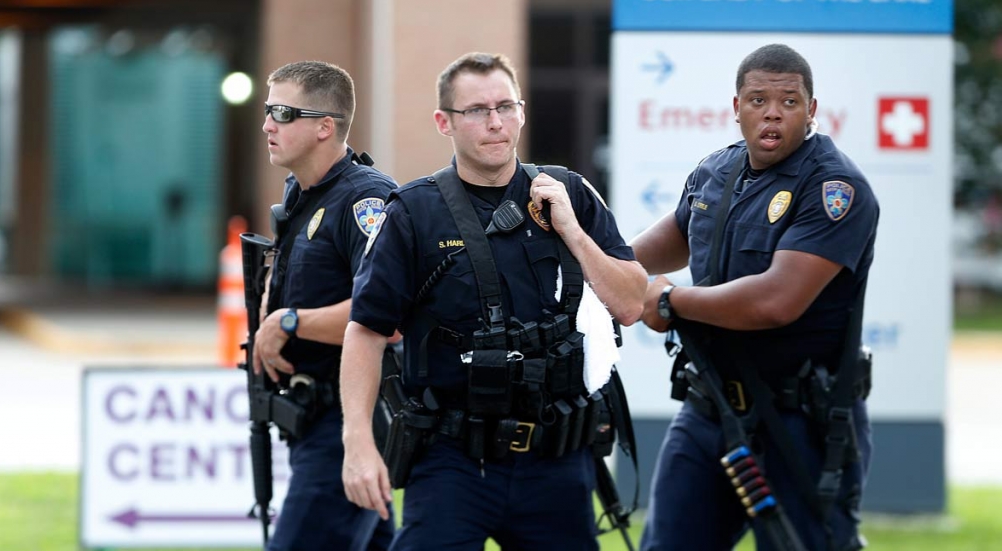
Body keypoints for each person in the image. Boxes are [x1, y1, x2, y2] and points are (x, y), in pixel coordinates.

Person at [339, 52, 647, 550]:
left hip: (556, 460)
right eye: (477, 110)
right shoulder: (414, 212)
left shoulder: (569, 193)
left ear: (522, 111)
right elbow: (366, 330)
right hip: (451, 461)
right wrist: (357, 440)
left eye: (506, 105)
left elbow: (632, 303)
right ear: (445, 122)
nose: (495, 121)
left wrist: (571, 230)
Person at [632, 43, 878, 551]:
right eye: (758, 99)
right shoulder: (714, 173)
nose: (772, 112)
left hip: (801, 423)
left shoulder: (835, 188)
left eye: (789, 102)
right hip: (710, 410)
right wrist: (571, 252)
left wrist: (670, 303)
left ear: (811, 111)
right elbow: (640, 256)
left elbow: (775, 301)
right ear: (736, 106)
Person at [254, 60, 396, 551]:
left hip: (347, 422)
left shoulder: (367, 200)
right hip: (311, 419)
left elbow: (389, 316)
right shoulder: (303, 193)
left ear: (324, 128)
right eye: (268, 110)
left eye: (283, 112)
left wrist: (288, 322)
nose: (268, 124)